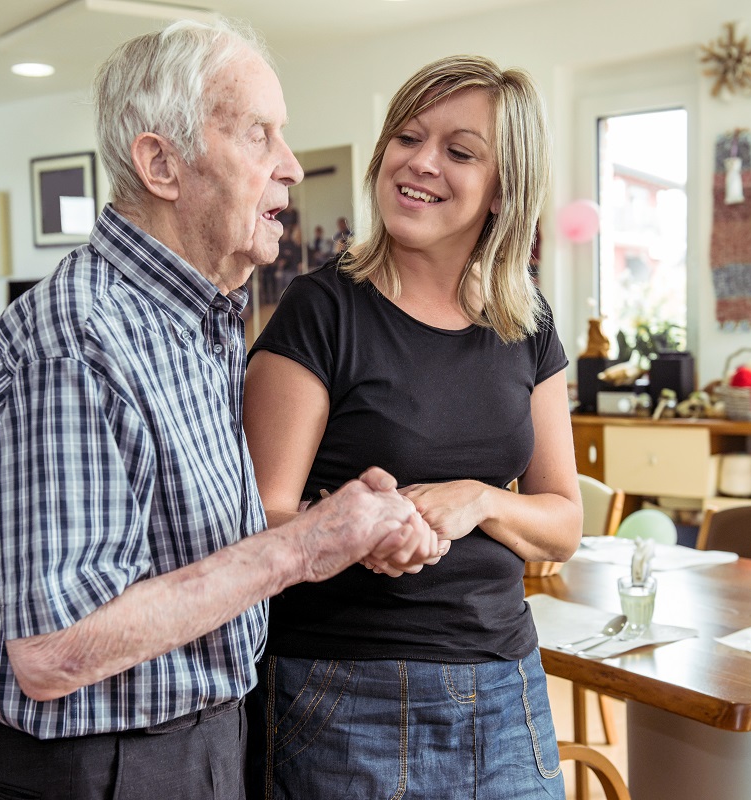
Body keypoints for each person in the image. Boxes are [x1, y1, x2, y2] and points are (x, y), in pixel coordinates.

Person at [0, 19, 439, 800]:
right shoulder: (77, 339)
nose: (291, 166)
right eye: (258, 135)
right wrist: (304, 548)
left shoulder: (197, 322)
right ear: (161, 164)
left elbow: (193, 554)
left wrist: (339, 525)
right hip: (103, 768)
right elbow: (53, 649)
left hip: (202, 742)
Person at [242, 54, 582, 799]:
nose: (420, 163)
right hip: (344, 689)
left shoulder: (527, 322)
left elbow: (562, 524)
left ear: (503, 190)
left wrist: (482, 499)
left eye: (460, 152)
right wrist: (363, 529)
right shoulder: (322, 309)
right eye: (407, 137)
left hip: (506, 684)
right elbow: (258, 517)